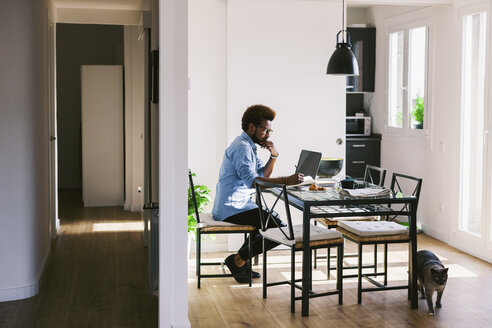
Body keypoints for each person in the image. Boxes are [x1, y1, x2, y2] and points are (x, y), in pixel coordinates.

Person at [212, 104, 304, 283]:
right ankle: (237, 260)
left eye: (270, 131)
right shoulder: (242, 147)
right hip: (231, 207)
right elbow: (254, 183)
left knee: (271, 223)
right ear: (252, 127)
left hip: (240, 205)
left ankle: (240, 260)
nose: (268, 135)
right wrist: (286, 180)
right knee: (280, 229)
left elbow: (261, 176)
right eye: (265, 130)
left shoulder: (248, 145)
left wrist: (274, 155)